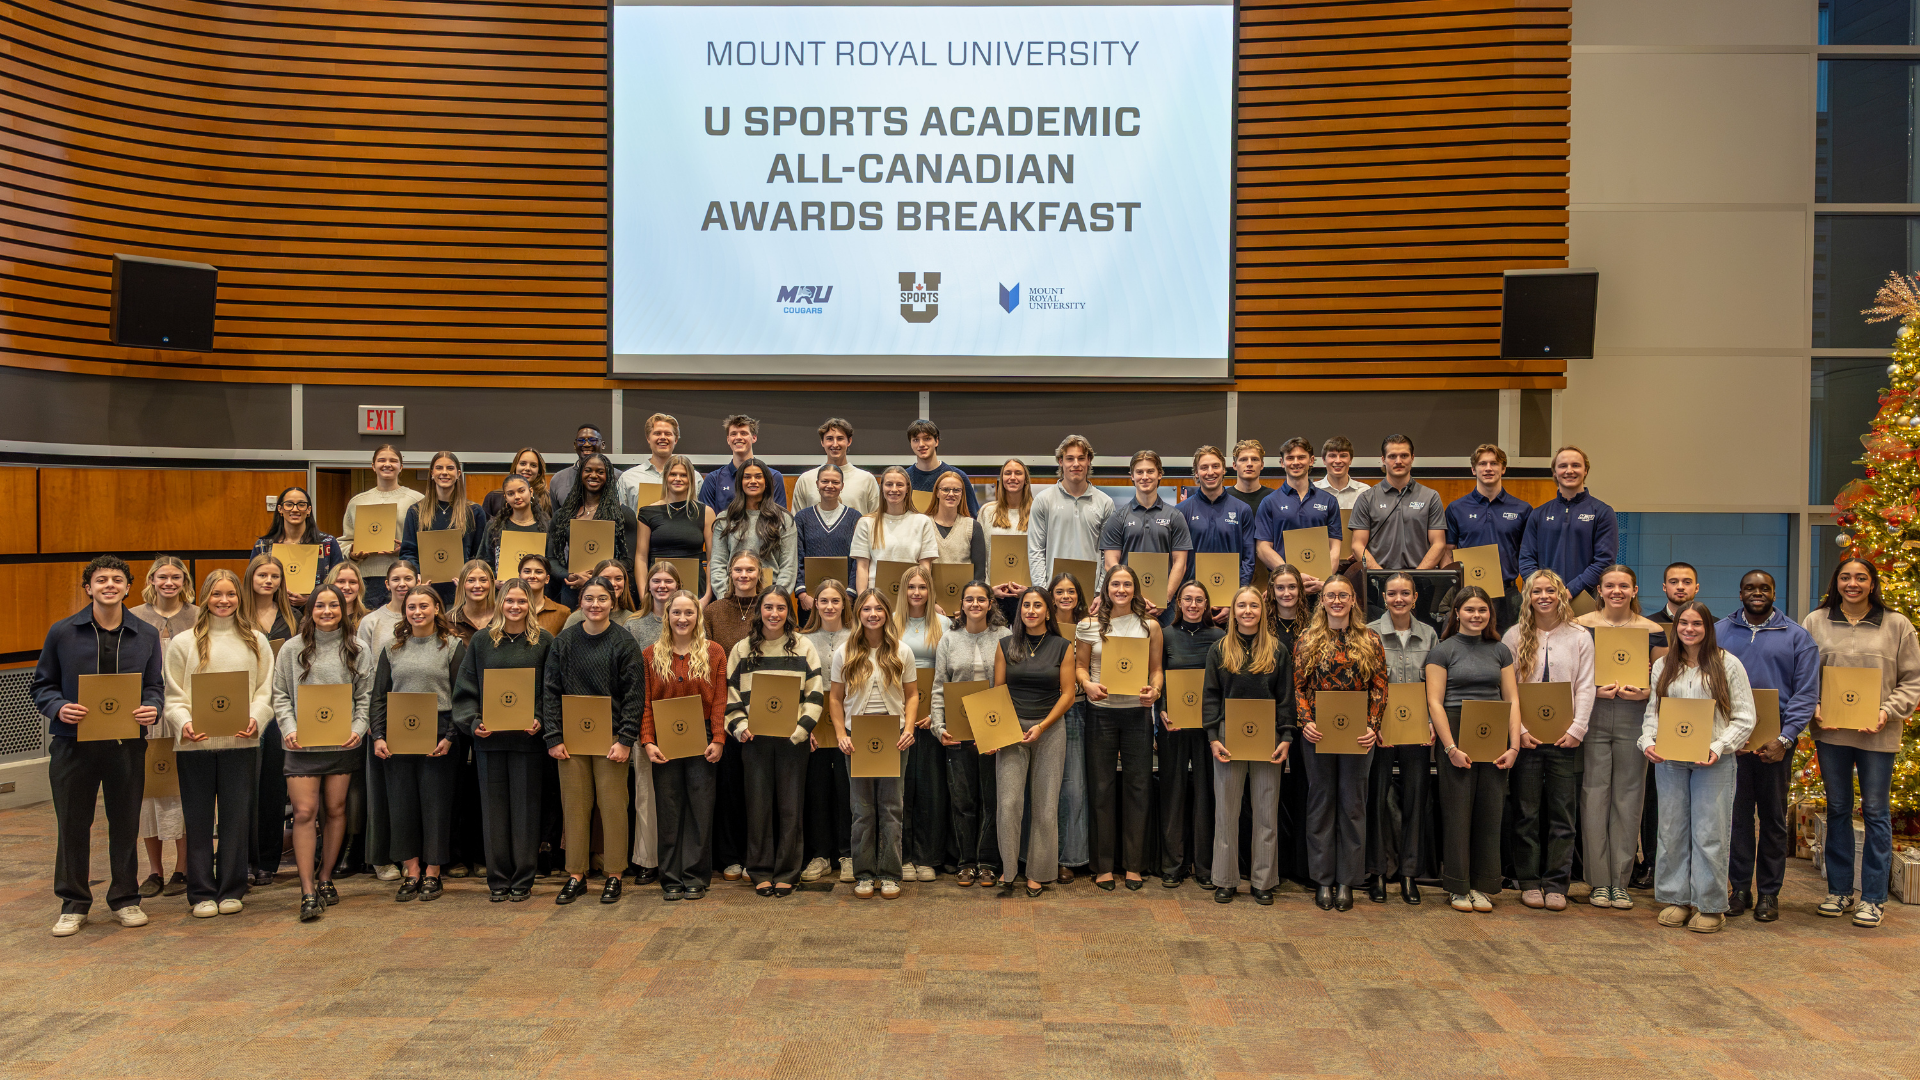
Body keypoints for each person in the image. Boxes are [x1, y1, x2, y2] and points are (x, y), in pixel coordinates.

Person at [32, 556, 164, 936]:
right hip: (73, 745)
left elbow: (155, 686)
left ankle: (125, 899)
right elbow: (42, 685)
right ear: (88, 587)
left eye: (117, 579)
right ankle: (73, 903)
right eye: (101, 579)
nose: (109, 585)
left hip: (126, 744)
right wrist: (58, 707)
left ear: (128, 588)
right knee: (73, 824)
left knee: (125, 823)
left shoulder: (146, 634)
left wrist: (152, 708)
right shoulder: (62, 632)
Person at [1803, 557, 1920, 929]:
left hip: (1878, 732)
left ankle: (1872, 898)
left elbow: (1912, 680)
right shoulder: (1815, 621)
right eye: (1845, 577)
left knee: (1875, 811)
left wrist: (1887, 710)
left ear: (1872, 583)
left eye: (1861, 578)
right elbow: (1803, 673)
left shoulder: (1897, 624)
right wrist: (1815, 705)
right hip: (1832, 732)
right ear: (1836, 582)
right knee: (1837, 807)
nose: (1852, 583)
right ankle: (1838, 891)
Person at [1639, 601, 1756, 934]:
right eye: (1683, 623)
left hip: (1713, 762)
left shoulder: (1727, 664)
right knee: (1672, 830)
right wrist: (1648, 741)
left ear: (1709, 628)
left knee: (1709, 834)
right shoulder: (1664, 665)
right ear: (1675, 628)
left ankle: (1710, 905)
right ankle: (1678, 899)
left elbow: (1746, 718)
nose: (1689, 629)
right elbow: (1653, 714)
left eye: (1697, 624)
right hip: (1670, 761)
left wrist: (1718, 747)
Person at [163, 568, 273, 918]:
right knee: (197, 820)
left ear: (240, 598)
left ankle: (231, 888)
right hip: (195, 745)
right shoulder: (183, 643)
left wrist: (257, 717)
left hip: (241, 744)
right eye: (216, 594)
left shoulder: (256, 640)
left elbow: (265, 691)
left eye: (230, 595)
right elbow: (173, 696)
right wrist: (185, 722)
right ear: (205, 598)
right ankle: (200, 892)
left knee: (236, 819)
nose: (223, 601)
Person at [1719, 570, 1818, 923]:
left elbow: (1806, 694)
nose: (1757, 593)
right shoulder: (1719, 632)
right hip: (1734, 742)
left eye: (1764, 588)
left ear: (1774, 593)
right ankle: (1740, 889)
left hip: (1777, 744)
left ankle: (1770, 894)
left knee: (1774, 820)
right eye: (1750, 587)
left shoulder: (1797, 637)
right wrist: (1728, 736)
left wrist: (1784, 738)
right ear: (1740, 592)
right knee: (1738, 819)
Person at [541, 575, 642, 905]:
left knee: (613, 807)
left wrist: (626, 739)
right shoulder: (564, 642)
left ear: (613, 603)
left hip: (612, 738)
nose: (595, 605)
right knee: (575, 807)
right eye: (589, 599)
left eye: (602, 599)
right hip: (571, 740)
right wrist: (554, 736)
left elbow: (633, 696)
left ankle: (614, 874)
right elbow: (551, 692)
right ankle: (576, 875)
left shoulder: (624, 642)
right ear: (579, 603)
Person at [272, 583, 370, 921]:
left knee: (336, 809)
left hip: (341, 743)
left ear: (344, 610)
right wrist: (289, 729)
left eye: (334, 606)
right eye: (320, 606)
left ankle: (326, 877)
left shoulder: (357, 648)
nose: (327, 612)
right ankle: (307, 889)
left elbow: (365, 697)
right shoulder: (291, 649)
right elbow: (280, 694)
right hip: (302, 745)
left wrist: (358, 730)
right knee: (303, 812)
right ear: (309, 610)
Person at [1573, 565, 1666, 910]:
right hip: (1593, 713)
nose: (1616, 591)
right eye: (1609, 585)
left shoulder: (1653, 630)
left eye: (1623, 586)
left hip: (1634, 716)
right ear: (1599, 589)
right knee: (1594, 795)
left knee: (1629, 797)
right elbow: (1575, 673)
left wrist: (1643, 694)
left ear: (1635, 590)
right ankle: (1598, 882)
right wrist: (1593, 689)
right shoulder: (1581, 626)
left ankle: (1621, 881)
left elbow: (1662, 680)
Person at [452, 578, 550, 902]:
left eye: (522, 601)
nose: (515, 607)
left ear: (531, 604)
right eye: (509, 601)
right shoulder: (481, 642)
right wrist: (473, 722)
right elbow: (465, 692)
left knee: (525, 812)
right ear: (500, 603)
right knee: (494, 814)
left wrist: (540, 717)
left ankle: (522, 879)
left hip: (528, 741)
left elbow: (551, 690)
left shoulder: (543, 642)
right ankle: (497, 880)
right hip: (489, 741)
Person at [1501, 569, 1594, 911]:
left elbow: (1585, 685)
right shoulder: (1514, 636)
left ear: (1560, 595)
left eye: (1549, 590)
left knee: (1562, 814)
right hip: (1527, 740)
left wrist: (1577, 729)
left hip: (1565, 740)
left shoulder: (1580, 636)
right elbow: (1508, 689)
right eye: (1536, 590)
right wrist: (1519, 731)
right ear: (1528, 597)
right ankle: (1527, 881)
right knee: (1526, 812)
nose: (1543, 596)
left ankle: (1557, 882)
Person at [1424, 586, 1521, 912]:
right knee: (1457, 813)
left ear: (1489, 615)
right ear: (1457, 614)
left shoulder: (1500, 650)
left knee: (1490, 814)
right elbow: (1434, 703)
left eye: (1482, 610)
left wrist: (1514, 746)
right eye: (1470, 610)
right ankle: (1457, 886)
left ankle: (1483, 885)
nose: (1476, 615)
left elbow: (1512, 699)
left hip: (1494, 734)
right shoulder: (1442, 651)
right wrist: (1450, 747)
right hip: (1455, 732)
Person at [1293, 575, 1386, 911]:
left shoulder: (1370, 639)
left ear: (1352, 600)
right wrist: (1306, 721)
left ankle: (1347, 880)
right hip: (1318, 734)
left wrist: (1373, 726)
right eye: (1330, 595)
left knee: (1353, 805)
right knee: (1321, 804)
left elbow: (1379, 687)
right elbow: (1299, 687)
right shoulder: (1307, 639)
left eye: (1342, 595)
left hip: (1359, 735)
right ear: (1323, 601)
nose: (1336, 600)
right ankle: (1322, 880)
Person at [725, 587, 825, 897]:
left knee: (790, 808)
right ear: (760, 611)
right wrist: (740, 727)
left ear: (789, 612)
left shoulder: (803, 647)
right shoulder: (743, 649)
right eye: (768, 607)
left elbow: (816, 695)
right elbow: (731, 698)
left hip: (792, 741)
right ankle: (759, 870)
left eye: (780, 608)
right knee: (758, 808)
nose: (773, 614)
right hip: (753, 740)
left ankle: (787, 871)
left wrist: (799, 732)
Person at [369, 585, 463, 903]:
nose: (417, 611)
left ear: (437, 608)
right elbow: (379, 696)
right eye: (411, 607)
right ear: (404, 611)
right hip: (398, 734)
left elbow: (462, 697)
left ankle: (433, 872)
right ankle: (411, 870)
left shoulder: (451, 645)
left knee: (435, 805)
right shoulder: (392, 648)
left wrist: (450, 737)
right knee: (402, 805)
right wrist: (378, 735)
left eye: (424, 605)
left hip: (439, 733)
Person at [1204, 585, 1296, 904]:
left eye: (1253, 606)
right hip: (1228, 737)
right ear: (1233, 611)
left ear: (1263, 610)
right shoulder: (1219, 649)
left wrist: (1286, 738)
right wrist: (1213, 738)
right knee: (1227, 812)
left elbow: (1286, 699)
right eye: (1241, 605)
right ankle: (1226, 879)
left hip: (1268, 737)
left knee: (1266, 812)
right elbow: (1211, 698)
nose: (1247, 611)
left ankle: (1263, 881)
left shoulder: (1278, 650)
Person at [1075, 564, 1163, 891]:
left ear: (1135, 589)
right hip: (1101, 712)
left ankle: (1134, 865)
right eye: (1116, 584)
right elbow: (1081, 667)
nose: (1121, 590)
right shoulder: (1089, 625)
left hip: (1137, 715)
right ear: (1106, 589)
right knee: (1101, 787)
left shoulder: (1150, 626)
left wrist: (1154, 691)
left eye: (1127, 584)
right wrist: (1087, 685)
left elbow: (1157, 671)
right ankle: (1103, 865)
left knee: (1138, 787)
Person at [828, 588, 918, 898]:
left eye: (879, 608)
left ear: (887, 613)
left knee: (892, 807)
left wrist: (908, 728)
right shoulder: (845, 652)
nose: (872, 614)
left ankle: (890, 873)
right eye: (866, 609)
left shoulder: (902, 651)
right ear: (858, 614)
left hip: (893, 738)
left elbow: (912, 695)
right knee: (862, 809)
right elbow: (836, 698)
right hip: (857, 738)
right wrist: (841, 734)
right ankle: (864, 873)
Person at [641, 591, 729, 899]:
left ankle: (695, 875)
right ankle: (671, 877)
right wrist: (648, 741)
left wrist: (718, 738)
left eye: (688, 613)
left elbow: (720, 700)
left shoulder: (714, 652)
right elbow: (647, 703)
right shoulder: (651, 654)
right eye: (676, 612)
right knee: (669, 808)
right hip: (665, 737)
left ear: (698, 617)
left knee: (700, 809)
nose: (682, 618)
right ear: (667, 617)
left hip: (702, 736)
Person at [990, 585, 1077, 896]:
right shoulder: (1005, 645)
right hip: (1012, 731)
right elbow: (997, 693)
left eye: (1037, 606)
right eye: (1026, 605)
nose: (1030, 611)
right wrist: (997, 733)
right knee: (1009, 803)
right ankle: (1009, 870)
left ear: (1048, 611)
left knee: (1045, 806)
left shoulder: (1063, 646)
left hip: (1050, 731)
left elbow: (1068, 694)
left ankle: (1038, 873)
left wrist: (1042, 725)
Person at [931, 581, 1010, 887]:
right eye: (969, 600)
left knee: (992, 799)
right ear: (961, 605)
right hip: (958, 731)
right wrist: (939, 729)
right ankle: (966, 861)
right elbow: (939, 687)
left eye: (981, 599)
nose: (975, 604)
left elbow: (1008, 687)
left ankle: (988, 861)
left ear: (991, 603)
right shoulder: (949, 639)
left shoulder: (1005, 637)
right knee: (963, 800)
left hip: (993, 728)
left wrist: (1002, 732)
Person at [1366, 572, 1436, 904]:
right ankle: (1378, 872)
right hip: (1379, 731)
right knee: (1376, 800)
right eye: (1392, 593)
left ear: (1415, 597)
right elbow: (1363, 683)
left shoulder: (1430, 635)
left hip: (1417, 730)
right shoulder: (1368, 633)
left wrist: (1433, 724)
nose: (1399, 599)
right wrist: (1371, 723)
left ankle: (1409, 873)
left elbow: (1436, 688)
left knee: (1415, 801)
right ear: (1383, 596)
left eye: (1405, 593)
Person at [128, 557, 195, 900]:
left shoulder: (198, 616)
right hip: (147, 714)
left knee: (183, 791)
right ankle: (154, 871)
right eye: (163, 576)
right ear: (152, 579)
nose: (169, 582)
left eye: (176, 577)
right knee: (149, 793)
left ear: (185, 581)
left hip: (186, 713)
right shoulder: (135, 616)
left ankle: (182, 868)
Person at [1633, 561, 1700, 890]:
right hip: (1654, 716)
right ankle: (1652, 862)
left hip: (1697, 722)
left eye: (1687, 581)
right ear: (1664, 587)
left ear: (1696, 587)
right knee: (1655, 799)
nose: (1680, 587)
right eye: (1673, 581)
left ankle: (1691, 867)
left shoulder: (1709, 626)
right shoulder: (1647, 625)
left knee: (1693, 800)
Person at [1160, 582, 1225, 887]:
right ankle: (1173, 865)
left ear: (1207, 604)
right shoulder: (1166, 635)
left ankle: (1205, 867)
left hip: (1207, 728)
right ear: (1179, 603)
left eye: (1200, 600)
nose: (1194, 604)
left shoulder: (1219, 637)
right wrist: (1161, 708)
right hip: (1173, 725)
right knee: (1172, 794)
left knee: (1205, 795)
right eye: (1188, 599)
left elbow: (1223, 685)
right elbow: (1156, 674)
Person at [704, 553, 764, 880]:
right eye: (738, 569)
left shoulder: (769, 607)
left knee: (756, 787)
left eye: (749, 569)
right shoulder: (713, 611)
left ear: (759, 573)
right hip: (724, 709)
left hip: (764, 709)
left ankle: (756, 855)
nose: (744, 574)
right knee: (728, 786)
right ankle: (730, 856)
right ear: (730, 573)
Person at [358, 559, 417, 883]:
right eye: (396, 578)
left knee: (408, 793)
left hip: (417, 718)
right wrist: (370, 719)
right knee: (381, 793)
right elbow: (365, 675)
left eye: (408, 577)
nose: (402, 583)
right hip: (382, 715)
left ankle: (411, 856)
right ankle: (381, 858)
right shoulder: (372, 621)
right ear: (388, 583)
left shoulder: (425, 613)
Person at [239, 553, 293, 887]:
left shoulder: (293, 615)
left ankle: (268, 861)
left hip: (281, 707)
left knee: (273, 787)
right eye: (262, 575)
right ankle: (242, 858)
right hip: (244, 708)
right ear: (251, 579)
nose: (268, 581)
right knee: (243, 787)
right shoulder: (236, 615)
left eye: (274, 576)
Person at [895, 564, 947, 881]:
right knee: (901, 790)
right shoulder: (891, 626)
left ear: (930, 591)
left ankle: (927, 857)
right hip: (901, 719)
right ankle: (904, 856)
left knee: (930, 790)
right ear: (903, 590)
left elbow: (947, 674)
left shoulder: (945, 624)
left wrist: (936, 714)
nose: (917, 592)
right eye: (911, 587)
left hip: (933, 719)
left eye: (922, 587)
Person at [1443, 443, 1532, 629]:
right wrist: (1453, 586)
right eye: (1483, 464)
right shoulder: (1456, 508)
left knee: (1506, 648)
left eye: (1494, 463)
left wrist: (1527, 588)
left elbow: (1528, 553)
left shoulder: (1523, 509)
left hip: (1508, 592)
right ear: (1473, 469)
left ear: (1504, 468)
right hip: (1469, 592)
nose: (1488, 468)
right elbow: (1448, 551)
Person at [800, 578, 855, 883]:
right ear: (815, 604)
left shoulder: (857, 637)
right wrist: (804, 726)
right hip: (814, 723)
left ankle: (847, 854)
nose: (830, 606)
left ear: (844, 604)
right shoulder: (802, 638)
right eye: (824, 601)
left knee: (846, 790)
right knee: (817, 791)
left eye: (836, 601)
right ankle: (820, 855)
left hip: (849, 722)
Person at [1518, 445, 1617, 607]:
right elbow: (1526, 559)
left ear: (1585, 471)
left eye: (1576, 465)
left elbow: (1604, 560)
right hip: (1544, 601)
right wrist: (1544, 590)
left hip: (1585, 598)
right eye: (1563, 466)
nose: (1569, 470)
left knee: (1585, 634)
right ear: (1555, 472)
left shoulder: (1602, 512)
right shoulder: (1538, 514)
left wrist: (1570, 590)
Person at [1099, 450, 1192, 617]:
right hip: (1127, 604)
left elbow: (1180, 563)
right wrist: (1132, 597)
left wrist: (1165, 598)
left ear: (1160, 475)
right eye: (1139, 472)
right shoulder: (1118, 517)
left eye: (1150, 471)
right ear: (1132, 476)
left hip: (1165, 608)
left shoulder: (1175, 516)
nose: (1145, 476)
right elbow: (1110, 563)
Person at [1177, 445, 1256, 624]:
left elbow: (1248, 560)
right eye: (1204, 468)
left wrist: (1235, 599)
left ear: (1224, 470)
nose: (1210, 472)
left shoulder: (1242, 510)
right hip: (1193, 605)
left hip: (1230, 603)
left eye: (1215, 466)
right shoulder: (1181, 511)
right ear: (1196, 473)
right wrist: (1188, 601)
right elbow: (1176, 562)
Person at [549, 452, 637, 609]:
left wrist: (597, 577)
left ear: (608, 476)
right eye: (588, 470)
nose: (594, 475)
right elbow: (551, 558)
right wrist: (569, 575)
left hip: (610, 593)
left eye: (600, 472)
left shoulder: (623, 514)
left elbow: (629, 561)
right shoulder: (563, 515)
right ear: (580, 474)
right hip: (572, 589)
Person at [397, 452, 486, 608]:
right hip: (427, 593)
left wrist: (470, 578)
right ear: (432, 473)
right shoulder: (416, 511)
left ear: (458, 474)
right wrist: (419, 576)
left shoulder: (474, 511)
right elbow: (408, 552)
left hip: (463, 594)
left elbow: (480, 555)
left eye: (450, 468)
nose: (444, 472)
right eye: (439, 468)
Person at [341, 444, 424, 610]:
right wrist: (352, 552)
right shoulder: (357, 501)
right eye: (381, 460)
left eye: (393, 460)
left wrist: (406, 548)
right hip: (365, 579)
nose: (387, 464)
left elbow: (427, 541)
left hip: (403, 578)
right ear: (373, 466)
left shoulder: (417, 500)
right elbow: (345, 540)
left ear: (401, 467)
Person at [1347, 435, 1445, 573]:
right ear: (1383, 460)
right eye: (1392, 456)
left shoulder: (1431, 497)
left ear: (1412, 458)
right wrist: (1382, 577)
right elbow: (1358, 546)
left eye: (1404, 455)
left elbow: (1439, 544)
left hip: (1421, 579)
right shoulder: (1366, 498)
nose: (1398, 461)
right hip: (1377, 579)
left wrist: (1415, 577)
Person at [1028, 434, 1114, 589]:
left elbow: (1107, 555)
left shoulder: (1105, 503)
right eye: (1070, 459)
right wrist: (1043, 591)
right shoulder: (1043, 500)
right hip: (1054, 592)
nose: (1076, 464)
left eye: (1081, 458)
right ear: (1061, 462)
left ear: (1089, 461)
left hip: (1091, 594)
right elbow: (1036, 551)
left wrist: (1100, 592)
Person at [1252, 437, 1340, 587]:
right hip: (1283, 586)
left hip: (1319, 585)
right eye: (1290, 458)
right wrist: (1293, 576)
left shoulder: (1329, 501)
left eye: (1301, 457)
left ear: (1311, 460)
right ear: (1282, 462)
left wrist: (1325, 581)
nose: (1296, 462)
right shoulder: (1270, 502)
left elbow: (1335, 548)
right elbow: (1262, 548)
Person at [1050, 570, 1092, 882]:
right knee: (1042, 787)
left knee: (1074, 788)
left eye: (1071, 591)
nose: (1066, 596)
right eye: (1060, 591)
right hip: (1043, 711)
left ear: (1079, 596)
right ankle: (1038, 855)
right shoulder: (1038, 624)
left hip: (1077, 710)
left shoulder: (1088, 628)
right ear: (1051, 596)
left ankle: (1069, 857)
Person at [709, 458, 797, 598]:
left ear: (767, 482)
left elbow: (788, 566)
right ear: (740, 483)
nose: (753, 481)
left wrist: (776, 599)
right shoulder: (725, 519)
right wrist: (725, 598)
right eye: (747, 477)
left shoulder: (783, 519)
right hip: (733, 598)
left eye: (758, 477)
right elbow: (718, 563)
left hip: (771, 599)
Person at [636, 455, 713, 601]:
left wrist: (708, 596)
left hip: (696, 591)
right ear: (665, 477)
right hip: (658, 591)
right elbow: (641, 557)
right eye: (673, 474)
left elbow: (712, 559)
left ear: (691, 479)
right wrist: (644, 596)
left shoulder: (706, 512)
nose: (678, 479)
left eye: (683, 475)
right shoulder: (647, 512)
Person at [252, 486, 343, 610]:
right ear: (280, 509)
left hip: (318, 612)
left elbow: (338, 583)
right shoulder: (263, 546)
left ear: (309, 510)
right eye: (289, 504)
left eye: (301, 504)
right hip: (273, 611)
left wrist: (311, 598)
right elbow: (253, 583)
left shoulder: (328, 543)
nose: (295, 509)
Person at [852, 466, 939, 594]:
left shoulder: (922, 522)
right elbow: (862, 567)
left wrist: (924, 598)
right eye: (889, 484)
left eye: (899, 485)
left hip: (911, 596)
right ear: (881, 488)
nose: (894, 489)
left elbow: (925, 567)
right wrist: (862, 601)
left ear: (907, 489)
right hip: (876, 598)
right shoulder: (866, 523)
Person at [794, 464, 862, 614]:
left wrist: (849, 595)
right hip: (810, 601)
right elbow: (796, 557)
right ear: (817, 484)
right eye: (825, 481)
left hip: (844, 600)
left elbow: (858, 559)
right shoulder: (802, 518)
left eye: (835, 482)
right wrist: (802, 594)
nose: (829, 486)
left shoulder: (855, 518)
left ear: (842, 486)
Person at [699, 414, 787, 512]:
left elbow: (780, 519)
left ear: (754, 438)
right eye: (733, 434)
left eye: (743, 433)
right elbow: (705, 521)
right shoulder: (713, 480)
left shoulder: (773, 477)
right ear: (728, 439)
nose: (738, 437)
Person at [928, 471, 987, 614]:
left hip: (964, 608)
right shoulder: (923, 524)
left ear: (962, 494)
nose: (951, 494)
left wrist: (968, 605)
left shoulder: (973, 526)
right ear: (937, 492)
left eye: (956, 490)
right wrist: (930, 604)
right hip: (930, 607)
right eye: (946, 489)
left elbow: (979, 574)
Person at [792, 417, 879, 514]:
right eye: (829, 439)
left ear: (849, 441)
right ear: (822, 442)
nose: (835, 444)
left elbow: (876, 520)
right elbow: (797, 523)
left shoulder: (866, 479)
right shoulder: (806, 480)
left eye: (840, 439)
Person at [618, 413, 702, 512]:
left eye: (668, 434)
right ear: (648, 438)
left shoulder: (694, 478)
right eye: (657, 433)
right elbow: (620, 518)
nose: (662, 437)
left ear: (675, 439)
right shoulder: (628, 478)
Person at [903, 417, 981, 515]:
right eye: (916, 440)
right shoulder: (904, 478)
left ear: (937, 441)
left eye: (927, 439)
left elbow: (972, 516)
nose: (921, 444)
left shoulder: (958, 476)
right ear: (910, 443)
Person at [480, 474, 549, 576]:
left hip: (537, 589)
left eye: (521, 491)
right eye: (511, 493)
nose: (517, 497)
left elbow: (552, 562)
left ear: (530, 491)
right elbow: (483, 561)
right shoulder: (494, 526)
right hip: (503, 589)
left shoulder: (546, 525)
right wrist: (495, 579)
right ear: (506, 498)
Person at [548, 422, 621, 508]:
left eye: (593, 440)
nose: (586, 444)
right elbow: (556, 518)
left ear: (603, 445)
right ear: (575, 445)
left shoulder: (619, 477)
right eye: (581, 440)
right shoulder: (558, 479)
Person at [481, 447, 552, 522]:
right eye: (523, 464)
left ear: (539, 472)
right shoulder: (493, 498)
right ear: (515, 467)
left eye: (533, 465)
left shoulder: (549, 498)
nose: (527, 468)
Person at [630, 560, 689, 650]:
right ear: (649, 586)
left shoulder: (690, 622)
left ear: (677, 586)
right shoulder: (633, 624)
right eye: (656, 581)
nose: (662, 585)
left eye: (668, 581)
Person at [516, 554, 571, 637]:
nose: (532, 576)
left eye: (538, 572)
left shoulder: (563, 612)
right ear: (520, 577)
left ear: (547, 579)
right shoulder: (507, 609)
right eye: (527, 571)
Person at [1313, 435, 1371, 510]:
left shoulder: (1364, 492)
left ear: (1350, 460)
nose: (1338, 461)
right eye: (1332, 456)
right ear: (1324, 460)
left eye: (1343, 456)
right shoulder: (1312, 491)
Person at [449, 559, 498, 641]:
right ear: (462, 584)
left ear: (491, 583)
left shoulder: (503, 617)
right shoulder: (449, 621)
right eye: (471, 580)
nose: (477, 585)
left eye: (483, 580)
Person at [1227, 438, 1271, 514]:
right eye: (1243, 460)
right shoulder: (1224, 497)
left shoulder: (1273, 498)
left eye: (1254, 459)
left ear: (1262, 465)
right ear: (1234, 465)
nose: (1249, 464)